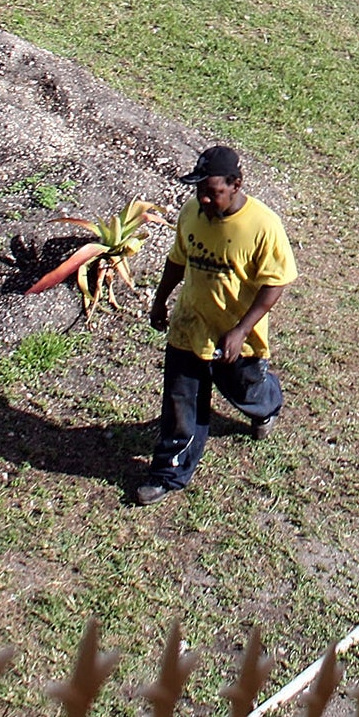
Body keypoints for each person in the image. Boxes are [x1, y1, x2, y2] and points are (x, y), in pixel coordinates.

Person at [137, 146, 297, 505]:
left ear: (236, 184)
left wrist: (241, 330)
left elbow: (276, 282)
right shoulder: (192, 213)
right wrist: (161, 300)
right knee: (181, 402)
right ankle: (169, 472)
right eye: (200, 191)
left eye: (213, 192)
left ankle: (267, 406)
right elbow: (178, 261)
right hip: (190, 326)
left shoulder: (262, 225)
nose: (204, 199)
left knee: (245, 391)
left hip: (236, 337)